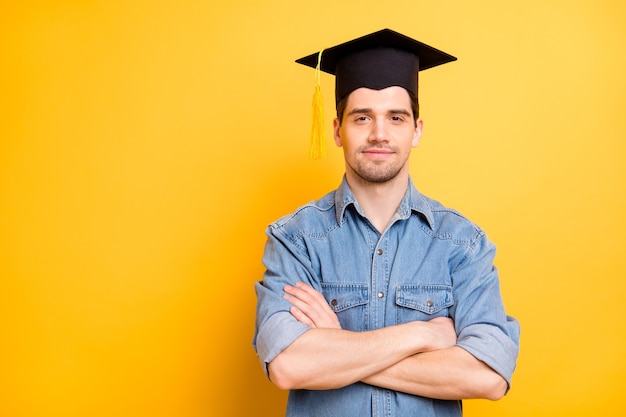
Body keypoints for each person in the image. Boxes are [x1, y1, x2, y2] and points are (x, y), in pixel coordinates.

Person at [253, 28, 520, 417]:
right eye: (362, 117)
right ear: (337, 130)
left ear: (416, 131)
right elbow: (288, 365)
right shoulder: (295, 240)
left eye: (396, 117)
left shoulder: (463, 244)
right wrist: (424, 335)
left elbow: (489, 376)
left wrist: (338, 348)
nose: (379, 134)